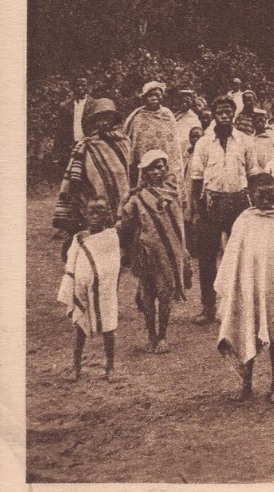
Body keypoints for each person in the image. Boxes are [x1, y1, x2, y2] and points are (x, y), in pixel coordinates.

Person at [214, 171, 274, 403]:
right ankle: (246, 384)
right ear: (250, 195)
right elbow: (232, 255)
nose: (267, 200)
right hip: (247, 285)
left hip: (273, 287)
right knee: (247, 326)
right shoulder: (244, 220)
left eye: (272, 195)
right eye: (262, 196)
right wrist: (233, 285)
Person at [188, 97, 260, 324]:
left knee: (240, 255)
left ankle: (240, 306)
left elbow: (253, 175)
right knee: (207, 258)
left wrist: (254, 207)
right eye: (220, 112)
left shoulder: (245, 141)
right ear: (214, 114)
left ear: (234, 114)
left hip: (238, 202)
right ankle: (208, 307)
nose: (225, 115)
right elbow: (196, 179)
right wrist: (197, 210)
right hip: (211, 203)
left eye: (229, 111)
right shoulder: (203, 143)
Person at [116, 149, 191, 354]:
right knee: (148, 294)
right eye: (154, 168)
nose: (159, 171)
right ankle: (151, 336)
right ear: (145, 173)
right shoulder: (137, 198)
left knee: (165, 294)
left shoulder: (172, 195)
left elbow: (178, 227)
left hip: (168, 254)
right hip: (145, 253)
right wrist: (124, 203)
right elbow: (124, 224)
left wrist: (182, 251)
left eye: (162, 166)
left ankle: (163, 336)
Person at [52, 98, 130, 254]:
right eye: (100, 118)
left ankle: (121, 249)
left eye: (108, 117)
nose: (104, 122)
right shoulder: (85, 145)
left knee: (120, 224)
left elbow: (130, 170)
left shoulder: (125, 143)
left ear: (114, 120)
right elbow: (74, 175)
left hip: (122, 196)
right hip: (95, 195)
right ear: (94, 121)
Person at [58, 197, 121, 381]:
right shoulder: (78, 238)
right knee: (80, 327)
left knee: (108, 328)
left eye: (100, 212)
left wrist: (102, 281)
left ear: (107, 215)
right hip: (82, 290)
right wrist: (76, 283)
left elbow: (113, 266)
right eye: (91, 212)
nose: (95, 216)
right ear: (85, 214)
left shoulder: (111, 237)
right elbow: (70, 262)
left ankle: (110, 367)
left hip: (105, 292)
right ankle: (75, 367)